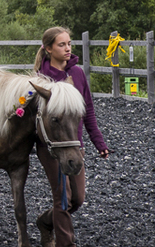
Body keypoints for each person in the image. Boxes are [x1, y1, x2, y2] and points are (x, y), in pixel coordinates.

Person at [33, 27, 111, 247]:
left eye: (69, 44)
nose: (67, 48)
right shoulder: (42, 79)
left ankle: (46, 222)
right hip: (52, 147)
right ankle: (66, 244)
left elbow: (88, 110)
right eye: (61, 45)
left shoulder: (76, 74)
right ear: (48, 49)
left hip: (75, 144)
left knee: (77, 199)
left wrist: (99, 143)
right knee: (63, 198)